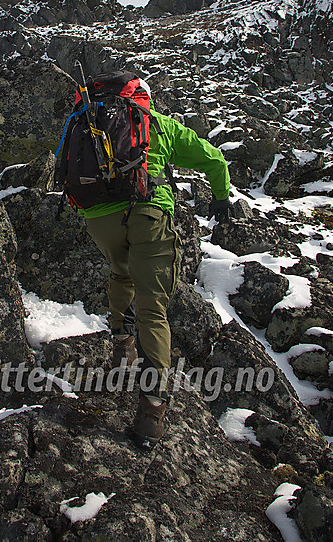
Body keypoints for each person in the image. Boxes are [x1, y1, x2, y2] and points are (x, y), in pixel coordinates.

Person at [78, 79, 231, 448]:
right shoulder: (156, 122)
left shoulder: (88, 121)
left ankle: (121, 346)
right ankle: (151, 412)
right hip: (147, 213)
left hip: (98, 218)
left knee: (120, 271)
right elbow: (213, 157)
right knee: (153, 309)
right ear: (144, 98)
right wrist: (221, 197)